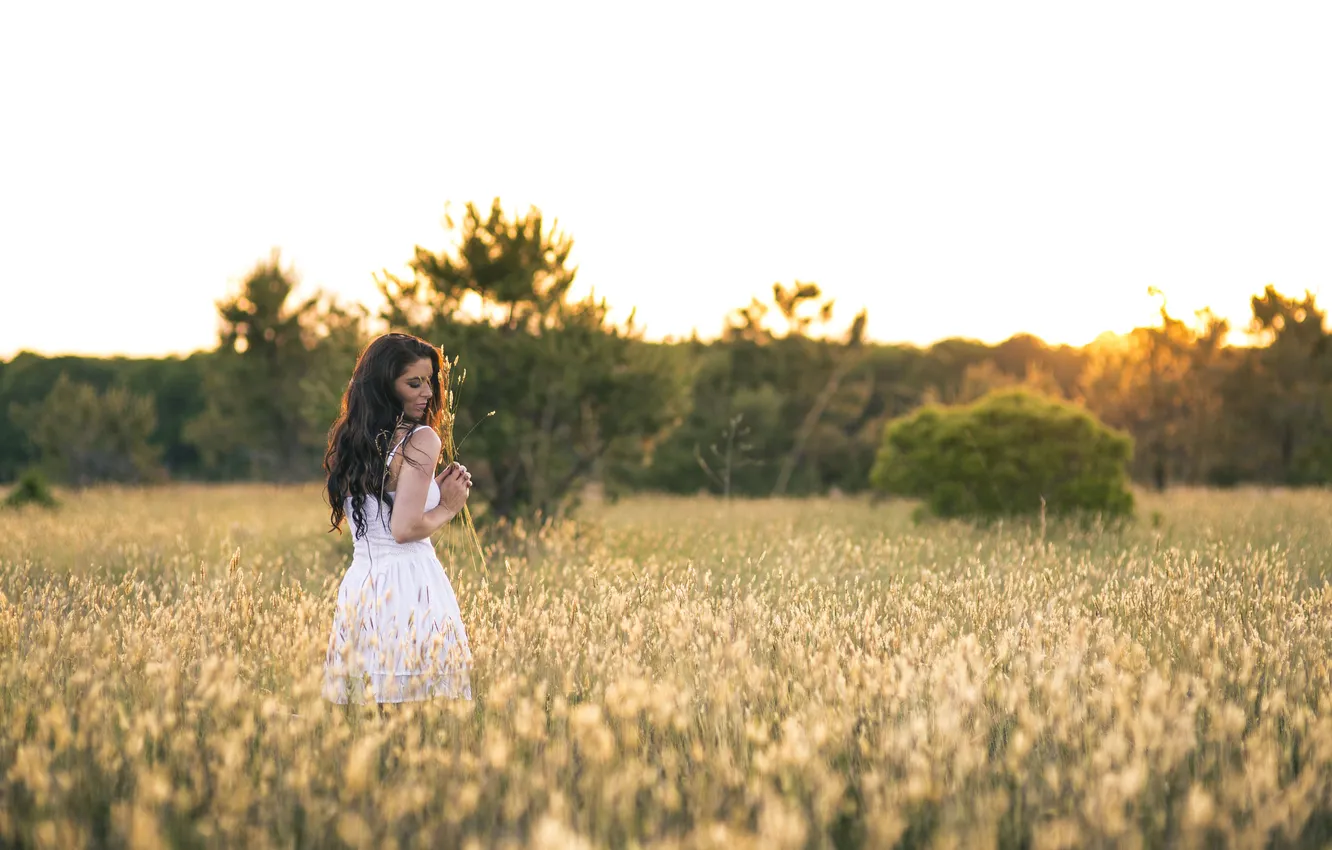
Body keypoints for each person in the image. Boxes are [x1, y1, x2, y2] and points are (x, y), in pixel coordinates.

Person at [321, 332, 473, 705]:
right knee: (423, 715)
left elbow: (382, 510)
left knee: (366, 713)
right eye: (413, 383)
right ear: (385, 386)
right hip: (410, 584)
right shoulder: (421, 439)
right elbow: (404, 529)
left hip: (362, 584)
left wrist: (429, 490)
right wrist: (447, 506)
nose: (427, 393)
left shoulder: (351, 440)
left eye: (430, 382)